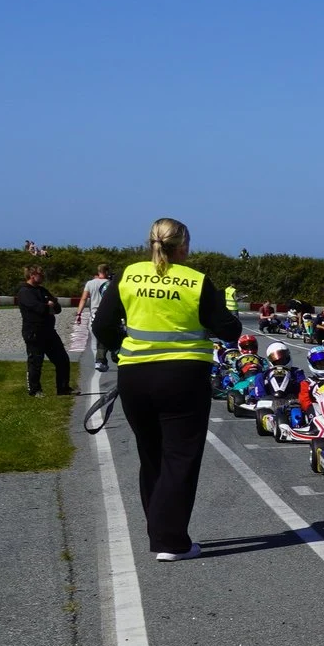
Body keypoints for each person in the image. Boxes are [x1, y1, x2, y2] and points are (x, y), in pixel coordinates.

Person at [93, 219, 244, 560]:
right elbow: (228, 330)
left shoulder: (129, 275)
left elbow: (102, 324)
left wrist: (125, 347)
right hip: (183, 375)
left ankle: (159, 530)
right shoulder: (196, 282)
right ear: (184, 246)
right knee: (180, 457)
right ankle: (170, 541)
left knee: (151, 456)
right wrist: (230, 319)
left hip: (136, 375)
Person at [17, 265, 75, 397]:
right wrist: (47, 306)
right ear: (32, 276)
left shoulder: (43, 290)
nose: (42, 277)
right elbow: (37, 308)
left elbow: (57, 307)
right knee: (36, 362)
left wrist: (51, 306)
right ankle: (35, 390)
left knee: (62, 360)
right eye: (40, 275)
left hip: (49, 331)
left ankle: (63, 388)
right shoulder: (25, 292)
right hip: (34, 332)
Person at [73, 264, 115, 373]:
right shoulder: (111, 284)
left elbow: (83, 299)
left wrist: (79, 314)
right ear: (107, 271)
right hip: (109, 313)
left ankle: (101, 360)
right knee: (109, 335)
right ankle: (107, 357)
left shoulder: (90, 284)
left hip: (95, 315)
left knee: (100, 336)